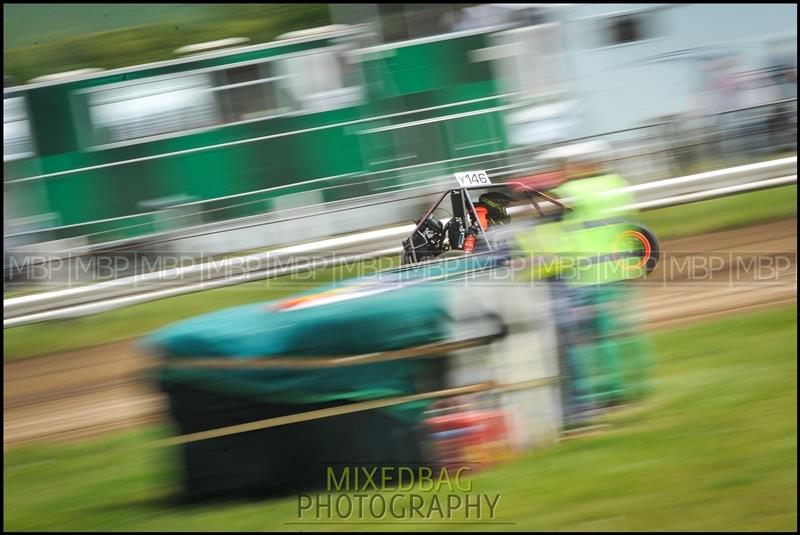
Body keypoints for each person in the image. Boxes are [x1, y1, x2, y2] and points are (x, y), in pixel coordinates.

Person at [515, 141, 654, 425]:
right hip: (620, 266)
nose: (560, 171)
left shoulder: (572, 191)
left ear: (578, 165)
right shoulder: (616, 183)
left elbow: (539, 207)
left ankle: (609, 389)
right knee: (623, 330)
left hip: (587, 274)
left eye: (563, 166)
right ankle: (636, 383)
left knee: (591, 337)